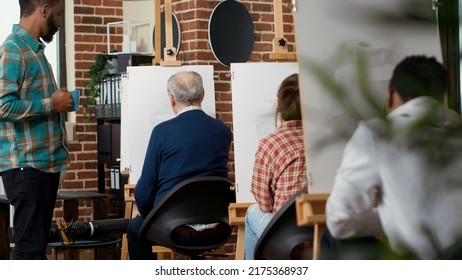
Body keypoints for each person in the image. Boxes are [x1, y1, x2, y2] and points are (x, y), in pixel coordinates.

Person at [325, 55, 462, 259]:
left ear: (390, 95)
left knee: (330, 237)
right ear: (442, 97)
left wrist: (397, 214)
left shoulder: (377, 133)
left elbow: (340, 222)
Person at [127, 71, 232, 260]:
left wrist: (148, 213)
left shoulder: (162, 132)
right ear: (203, 95)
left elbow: (144, 192)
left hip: (172, 228)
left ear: (172, 99)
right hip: (217, 227)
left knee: (135, 228)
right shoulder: (223, 131)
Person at [0, 0, 72, 259]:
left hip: (41, 165)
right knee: (29, 252)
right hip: (26, 167)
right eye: (59, 14)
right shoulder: (13, 49)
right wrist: (51, 103)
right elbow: (3, 106)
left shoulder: (35, 51)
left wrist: (58, 102)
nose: (60, 22)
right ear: (44, 9)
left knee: (35, 249)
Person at [244, 73, 308, 260]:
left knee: (251, 212)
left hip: (285, 243)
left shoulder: (270, 143)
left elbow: (264, 203)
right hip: (322, 238)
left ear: (279, 105)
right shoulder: (326, 141)